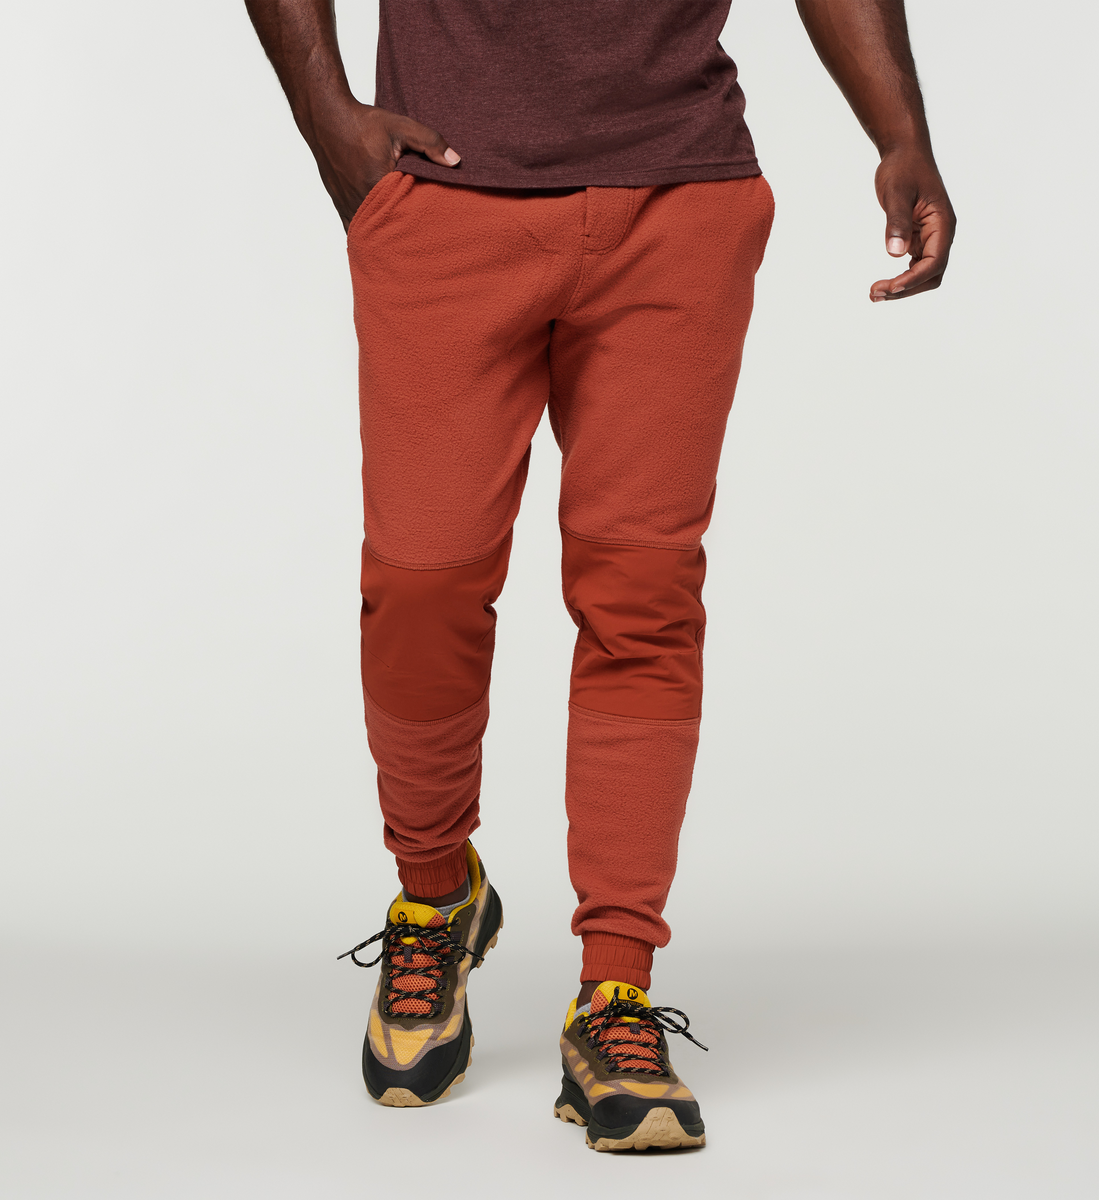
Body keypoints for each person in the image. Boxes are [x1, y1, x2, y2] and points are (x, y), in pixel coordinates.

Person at [244, 0, 955, 1152]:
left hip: (680, 196)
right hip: (449, 191)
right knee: (421, 582)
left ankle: (615, 990)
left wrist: (900, 132)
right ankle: (435, 894)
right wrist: (326, 113)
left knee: (644, 596)